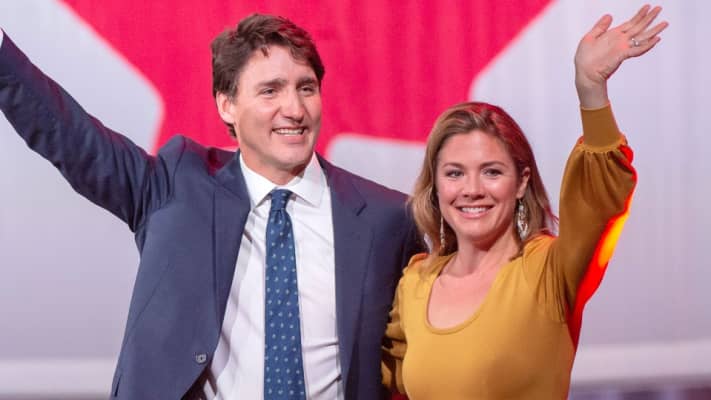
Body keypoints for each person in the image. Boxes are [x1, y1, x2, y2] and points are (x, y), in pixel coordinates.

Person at [0, 14, 421, 399]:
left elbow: (420, 350)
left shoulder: (385, 219)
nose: (294, 109)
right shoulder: (178, 187)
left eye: (305, 88)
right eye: (270, 90)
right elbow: (70, 136)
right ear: (227, 105)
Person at [381, 5, 667, 399]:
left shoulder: (548, 271)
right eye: (455, 173)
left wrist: (590, 90)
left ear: (521, 183)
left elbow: (599, 200)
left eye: (491, 172)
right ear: (435, 186)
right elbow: (371, 376)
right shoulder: (416, 281)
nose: (472, 189)